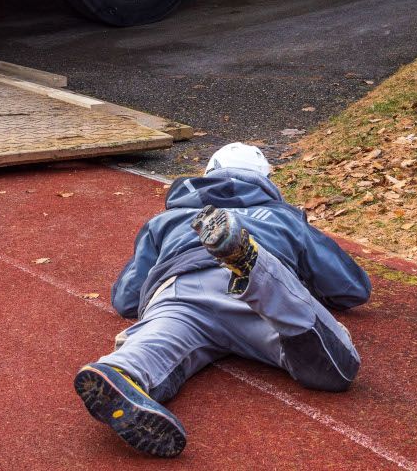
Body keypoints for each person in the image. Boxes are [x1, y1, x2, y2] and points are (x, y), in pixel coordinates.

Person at [74, 142, 371, 458]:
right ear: (267, 180)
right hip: (255, 306)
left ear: (206, 175)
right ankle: (255, 267)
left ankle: (120, 369)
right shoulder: (284, 218)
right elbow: (351, 289)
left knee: (150, 347)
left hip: (182, 289)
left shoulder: (167, 220)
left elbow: (126, 299)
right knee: (333, 369)